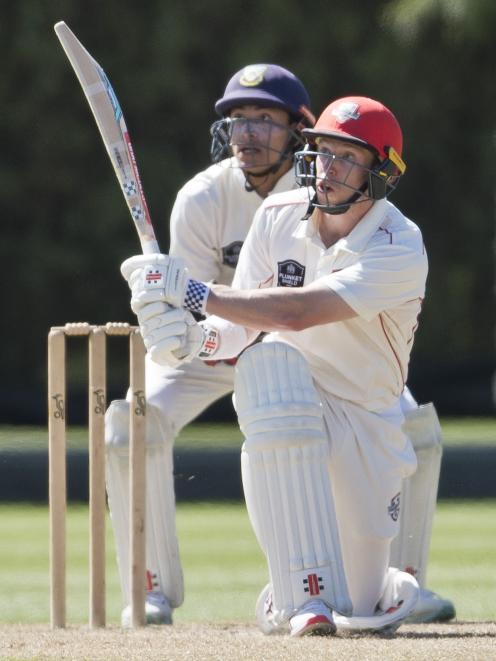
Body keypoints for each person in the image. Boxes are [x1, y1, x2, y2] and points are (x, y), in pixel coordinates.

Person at [120, 96, 442, 635]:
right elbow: (243, 328)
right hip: (291, 399)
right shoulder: (277, 215)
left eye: (348, 157)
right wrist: (189, 340)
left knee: (360, 611)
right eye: (323, 152)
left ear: (381, 172)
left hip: (366, 416)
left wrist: (195, 290)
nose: (329, 167)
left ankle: (369, 591)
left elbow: (297, 312)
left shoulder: (399, 245)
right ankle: (303, 595)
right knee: (271, 368)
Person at [104, 63, 315, 626]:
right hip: (217, 342)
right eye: (239, 119)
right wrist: (168, 328)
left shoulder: (323, 194)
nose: (247, 133)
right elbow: (192, 304)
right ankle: (146, 587)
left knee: (411, 428)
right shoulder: (202, 196)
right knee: (130, 421)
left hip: (298, 349)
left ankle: (395, 585)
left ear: (299, 128)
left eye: (264, 119)